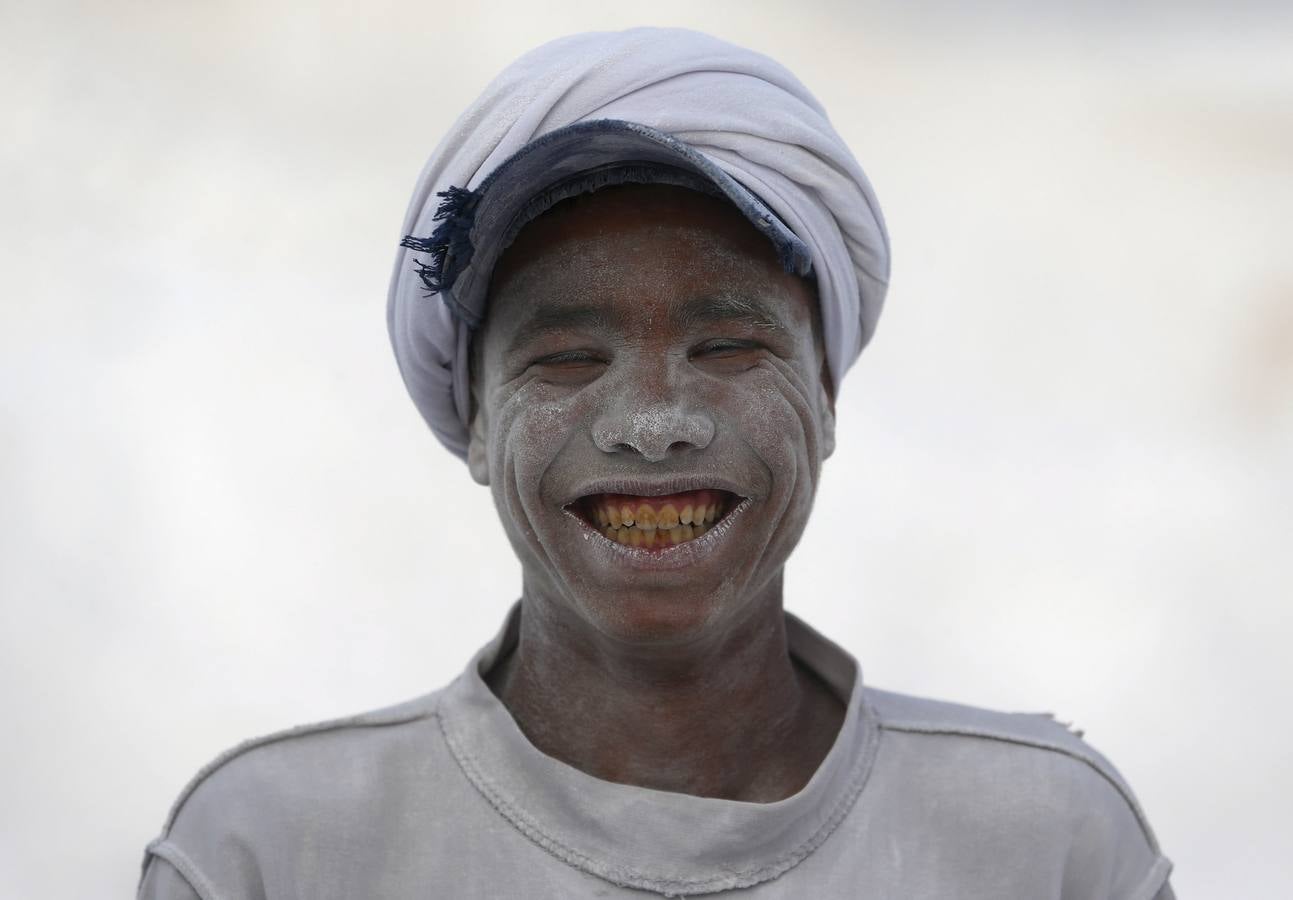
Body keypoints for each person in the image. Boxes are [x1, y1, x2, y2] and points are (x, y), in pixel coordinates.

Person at [137, 28, 1174, 899]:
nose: (652, 422)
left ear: (824, 396)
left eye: (726, 347)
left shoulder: (1045, 843)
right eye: (569, 358)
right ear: (481, 420)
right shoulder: (274, 853)